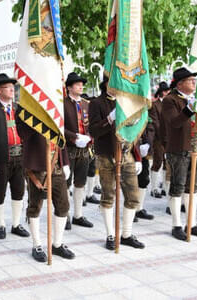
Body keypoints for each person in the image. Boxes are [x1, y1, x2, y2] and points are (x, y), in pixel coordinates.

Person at [88, 76, 145, 250]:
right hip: (106, 154)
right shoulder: (96, 103)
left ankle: (126, 234)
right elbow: (94, 131)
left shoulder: (127, 102)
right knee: (108, 195)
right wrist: (109, 119)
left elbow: (134, 131)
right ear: (106, 84)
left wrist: (138, 155)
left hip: (126, 153)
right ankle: (110, 235)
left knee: (133, 196)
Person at [16, 106, 75, 262]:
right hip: (36, 165)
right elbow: (23, 133)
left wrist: (66, 162)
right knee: (35, 206)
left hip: (56, 164)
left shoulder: (53, 104)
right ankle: (37, 245)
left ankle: (57, 243)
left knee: (63, 206)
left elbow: (60, 136)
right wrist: (39, 116)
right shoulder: (25, 107)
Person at [163, 67, 197, 240]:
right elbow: (174, 122)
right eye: (191, 80)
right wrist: (189, 109)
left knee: (193, 189)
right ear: (180, 83)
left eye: (194, 80)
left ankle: (191, 223)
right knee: (178, 187)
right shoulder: (170, 100)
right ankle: (176, 225)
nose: (194, 83)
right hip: (179, 150)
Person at [0, 73, 30, 239]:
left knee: (19, 191)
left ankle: (16, 224)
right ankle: (0, 224)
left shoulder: (19, 109)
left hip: (20, 157)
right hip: (2, 158)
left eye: (12, 87)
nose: (12, 90)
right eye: (8, 87)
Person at [63, 72, 94, 230]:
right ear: (69, 87)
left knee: (80, 182)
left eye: (82, 84)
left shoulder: (86, 103)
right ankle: (65, 215)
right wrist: (74, 137)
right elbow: (60, 128)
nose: (81, 86)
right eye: (77, 84)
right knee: (66, 183)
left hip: (84, 149)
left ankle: (78, 215)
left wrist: (89, 137)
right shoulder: (63, 104)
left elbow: (91, 125)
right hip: (69, 148)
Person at [150, 82, 170, 198]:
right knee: (157, 162)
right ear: (163, 92)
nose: (169, 93)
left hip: (170, 138)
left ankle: (163, 187)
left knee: (167, 163)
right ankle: (154, 188)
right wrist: (165, 135)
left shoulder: (169, 104)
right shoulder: (155, 105)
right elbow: (155, 123)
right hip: (159, 138)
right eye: (167, 91)